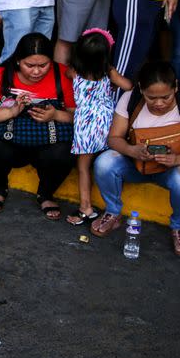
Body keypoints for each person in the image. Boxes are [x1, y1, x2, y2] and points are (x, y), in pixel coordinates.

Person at [91, 61, 180, 258]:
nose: (159, 103)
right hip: (137, 165)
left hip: (172, 169)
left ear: (175, 86)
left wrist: (176, 159)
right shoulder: (130, 98)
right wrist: (132, 150)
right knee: (104, 162)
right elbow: (114, 138)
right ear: (141, 88)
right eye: (151, 97)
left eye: (166, 97)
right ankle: (113, 211)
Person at [0, 33, 76, 219]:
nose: (37, 72)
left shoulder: (62, 74)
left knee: (66, 150)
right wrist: (11, 111)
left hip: (47, 145)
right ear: (18, 60)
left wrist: (56, 115)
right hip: (11, 143)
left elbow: (80, 118)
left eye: (43, 65)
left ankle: (45, 193)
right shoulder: (2, 74)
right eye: (30, 65)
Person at [67, 29, 132, 225]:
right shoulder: (108, 72)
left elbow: (67, 73)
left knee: (84, 167)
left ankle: (85, 207)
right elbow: (128, 86)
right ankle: (112, 205)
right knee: (107, 159)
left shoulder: (74, 70)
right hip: (105, 121)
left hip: (85, 123)